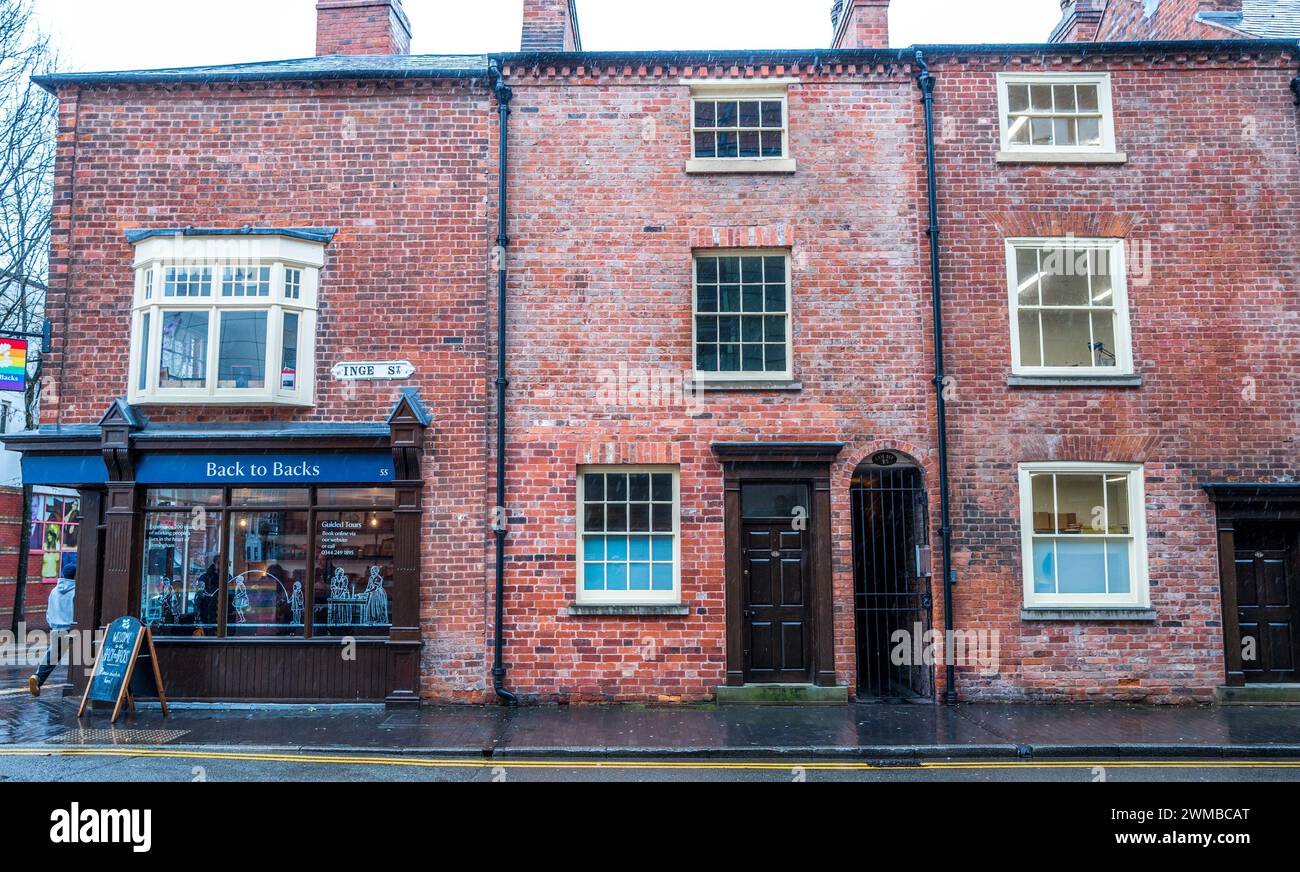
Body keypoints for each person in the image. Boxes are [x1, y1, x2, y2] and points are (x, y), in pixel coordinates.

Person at [28, 564, 76, 697]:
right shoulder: (76, 591)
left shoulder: (54, 591)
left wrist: (52, 625)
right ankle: (81, 686)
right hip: (71, 629)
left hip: (56, 628)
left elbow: (48, 613)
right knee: (82, 658)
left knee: (51, 658)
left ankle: (37, 678)